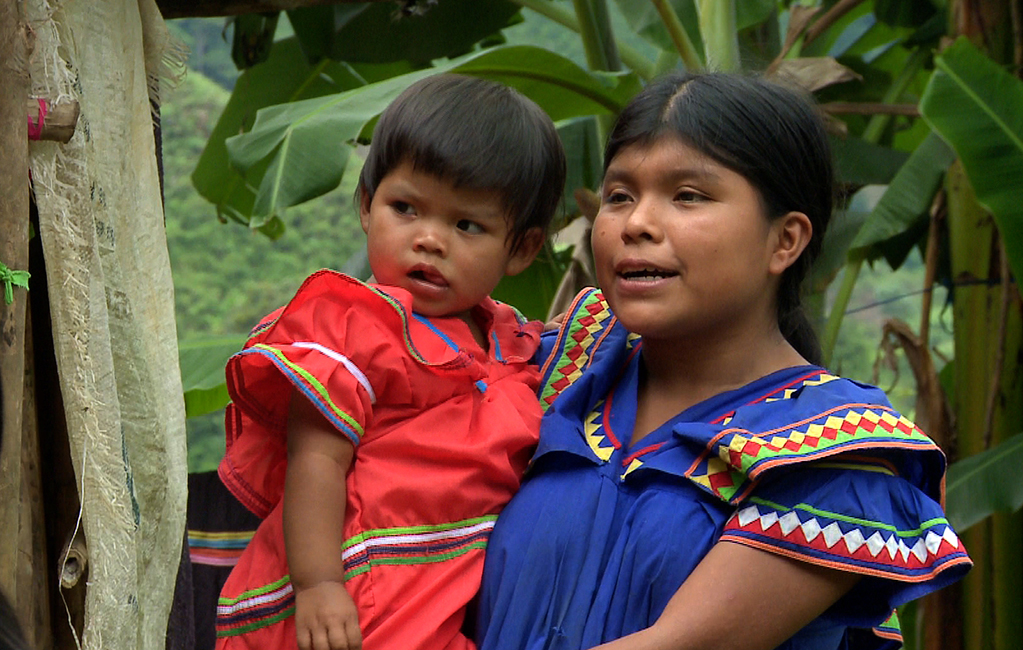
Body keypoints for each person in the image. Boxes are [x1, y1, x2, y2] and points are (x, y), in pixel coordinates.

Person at [476, 71, 972, 650]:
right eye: (619, 196)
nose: (636, 223)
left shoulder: (839, 452)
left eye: (689, 195)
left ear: (785, 241)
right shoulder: (552, 364)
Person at [214, 73, 566, 650]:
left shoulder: (507, 343)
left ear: (523, 248)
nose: (429, 239)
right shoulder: (353, 328)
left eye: (466, 224)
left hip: (436, 595)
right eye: (405, 208)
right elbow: (316, 461)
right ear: (366, 206)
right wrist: (319, 584)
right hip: (358, 591)